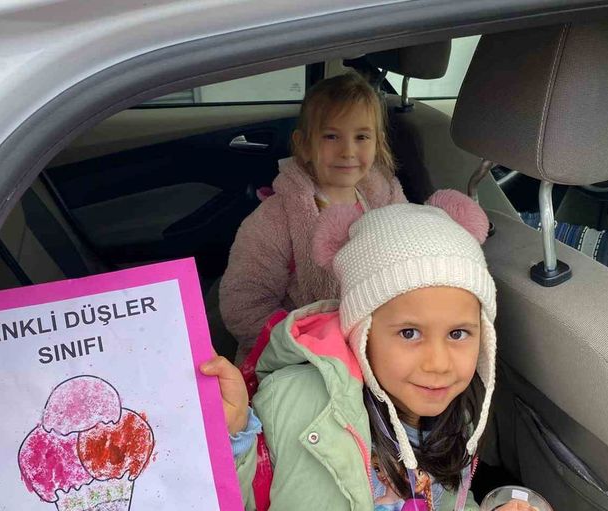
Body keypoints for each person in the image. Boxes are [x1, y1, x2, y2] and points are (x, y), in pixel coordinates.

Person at [203, 190, 537, 510]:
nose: (438, 364)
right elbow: (234, 497)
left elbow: (448, 501)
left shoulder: (455, 415)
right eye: (409, 333)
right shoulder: (292, 399)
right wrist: (232, 435)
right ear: (361, 334)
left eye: (458, 333)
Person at [219, 72, 407, 362]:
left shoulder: (386, 201)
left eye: (361, 137)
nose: (348, 151)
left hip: (379, 347)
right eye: (331, 136)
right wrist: (304, 347)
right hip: (304, 356)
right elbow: (243, 301)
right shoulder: (276, 218)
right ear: (304, 145)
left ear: (377, 142)